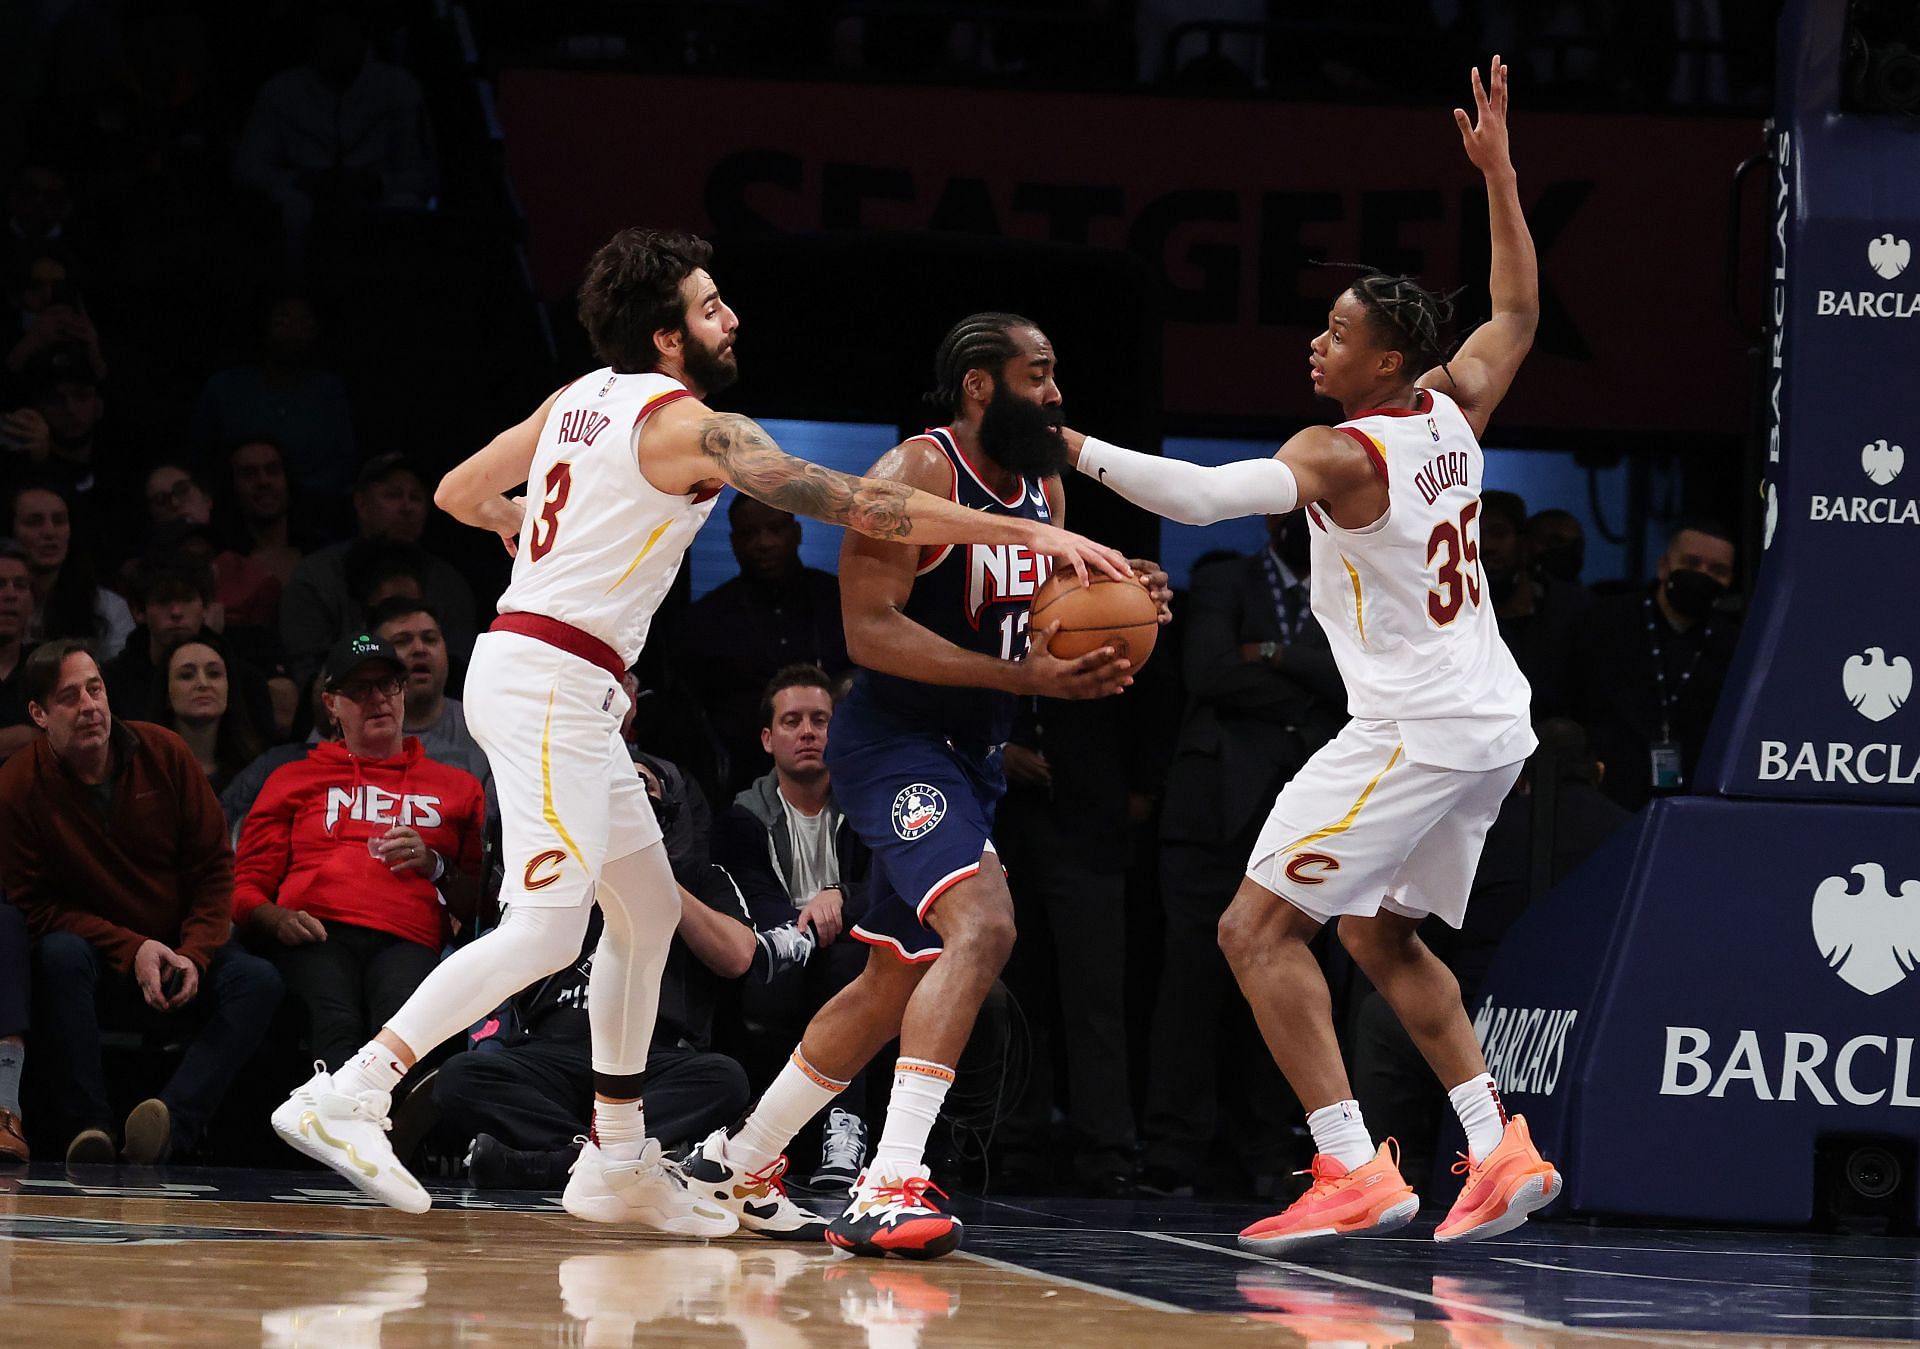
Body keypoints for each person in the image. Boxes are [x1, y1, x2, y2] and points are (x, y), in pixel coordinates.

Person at [271, 228, 1130, 1234]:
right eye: (713, 304)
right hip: (548, 677)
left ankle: (617, 1154)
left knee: (643, 914)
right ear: (667, 335)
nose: (733, 317)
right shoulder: (690, 427)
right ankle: (356, 1088)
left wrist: (529, 523)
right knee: (547, 928)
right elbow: (859, 502)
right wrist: (1029, 529)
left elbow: (461, 493)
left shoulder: (577, 398)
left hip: (564, 677)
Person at [1057, 58, 1562, 1250]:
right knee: (1378, 933)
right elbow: (1518, 314)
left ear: (1386, 362)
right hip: (1491, 721)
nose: (1315, 345)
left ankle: (1350, 1164)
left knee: (1250, 927)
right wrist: (1500, 175)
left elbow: (1198, 495)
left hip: (1415, 727)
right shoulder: (1451, 407)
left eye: (1337, 333)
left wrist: (1069, 443)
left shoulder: (1346, 451)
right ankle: (1496, 1142)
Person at [681, 310, 1163, 1258]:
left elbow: (1029, 619)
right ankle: (890, 1178)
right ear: (980, 384)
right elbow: (869, 631)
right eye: (1039, 373)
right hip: (893, 742)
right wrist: (1024, 677)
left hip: (971, 750)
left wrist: (1114, 600)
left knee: (891, 977)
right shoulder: (916, 473)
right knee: (985, 925)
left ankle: (739, 1159)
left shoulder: (1045, 486)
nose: (1056, 392)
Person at [437, 752, 788, 1191]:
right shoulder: (556, 873)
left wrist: (653, 878)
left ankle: (554, 1163)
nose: (627, 800)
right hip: (555, 1051)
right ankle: (597, 1160)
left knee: (725, 1079)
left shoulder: (701, 876)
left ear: (663, 813)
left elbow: (737, 956)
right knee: (459, 1077)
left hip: (652, 1056)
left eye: (642, 789)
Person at [0, 641, 283, 1164]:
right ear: (38, 714)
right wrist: (133, 950)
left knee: (258, 981)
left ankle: (170, 1123)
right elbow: (35, 908)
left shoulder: (165, 752)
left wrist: (195, 954)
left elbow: (215, 869)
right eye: (69, 697)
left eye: (95, 688)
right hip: (100, 959)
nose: (89, 705)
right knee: (58, 955)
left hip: (179, 952)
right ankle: (89, 1130)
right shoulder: (17, 785)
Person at [1136, 515, 1347, 1198]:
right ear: (1274, 520)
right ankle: (1173, 1149)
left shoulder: (1351, 589)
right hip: (1212, 812)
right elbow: (1209, 671)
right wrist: (1301, 683)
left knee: (1285, 979)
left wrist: (1272, 656)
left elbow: (1352, 685)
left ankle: (1271, 1149)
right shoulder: (1223, 579)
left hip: (1305, 812)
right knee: (1189, 984)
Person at [234, 634, 485, 1071]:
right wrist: (274, 919)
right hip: (318, 930)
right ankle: (343, 1130)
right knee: (337, 1025)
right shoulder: (293, 778)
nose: (377, 700)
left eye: (388, 686)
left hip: (409, 936)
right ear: (331, 704)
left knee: (399, 1027)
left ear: (403, 694)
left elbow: (484, 902)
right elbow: (244, 884)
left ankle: (379, 1133)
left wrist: (435, 864)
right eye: (359, 690)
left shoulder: (459, 787)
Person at [714, 663, 875, 1191]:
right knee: (818, 966)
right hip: (780, 959)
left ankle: (841, 1131)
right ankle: (815, 1132)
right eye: (791, 721)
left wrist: (841, 897)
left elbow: (890, 886)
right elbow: (757, 904)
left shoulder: (872, 805)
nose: (807, 731)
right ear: (767, 738)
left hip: (854, 958)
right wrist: (809, 923)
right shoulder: (743, 817)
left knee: (855, 957)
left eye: (820, 719)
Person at [683, 497, 851, 796]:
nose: (764, 543)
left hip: (840, 770)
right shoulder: (705, 620)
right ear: (734, 542)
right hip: (741, 782)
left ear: (796, 533)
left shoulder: (840, 601)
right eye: (750, 533)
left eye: (775, 529)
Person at [1571, 520, 1739, 812]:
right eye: (1692, 563)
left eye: (1718, 570)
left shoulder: (1735, 643)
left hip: (1695, 798)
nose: (1703, 575)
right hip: (1609, 791)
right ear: (1664, 566)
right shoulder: (1604, 621)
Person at [279, 453, 477, 687]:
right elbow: (307, 669)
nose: (406, 507)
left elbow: (462, 667)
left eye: (416, 497)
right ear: (362, 504)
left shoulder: (448, 583)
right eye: (393, 495)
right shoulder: (317, 576)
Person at [1481, 490, 1590, 718]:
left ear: (1523, 543)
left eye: (1498, 533)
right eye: (1474, 533)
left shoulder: (1571, 609)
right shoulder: (1451, 613)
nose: (1486, 545)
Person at [10, 479, 134, 660]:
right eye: (34, 522)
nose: (49, 532)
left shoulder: (107, 608)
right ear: (11, 532)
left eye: (59, 521)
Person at [153, 635, 267, 794]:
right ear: (166, 694)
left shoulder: (258, 770)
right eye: (187, 675)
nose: (203, 684)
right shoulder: (145, 771)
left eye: (214, 674)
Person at [0, 542, 37, 764]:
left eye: (21, 585)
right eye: (0, 584)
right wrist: (26, 736)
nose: (11, 594)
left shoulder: (49, 669)